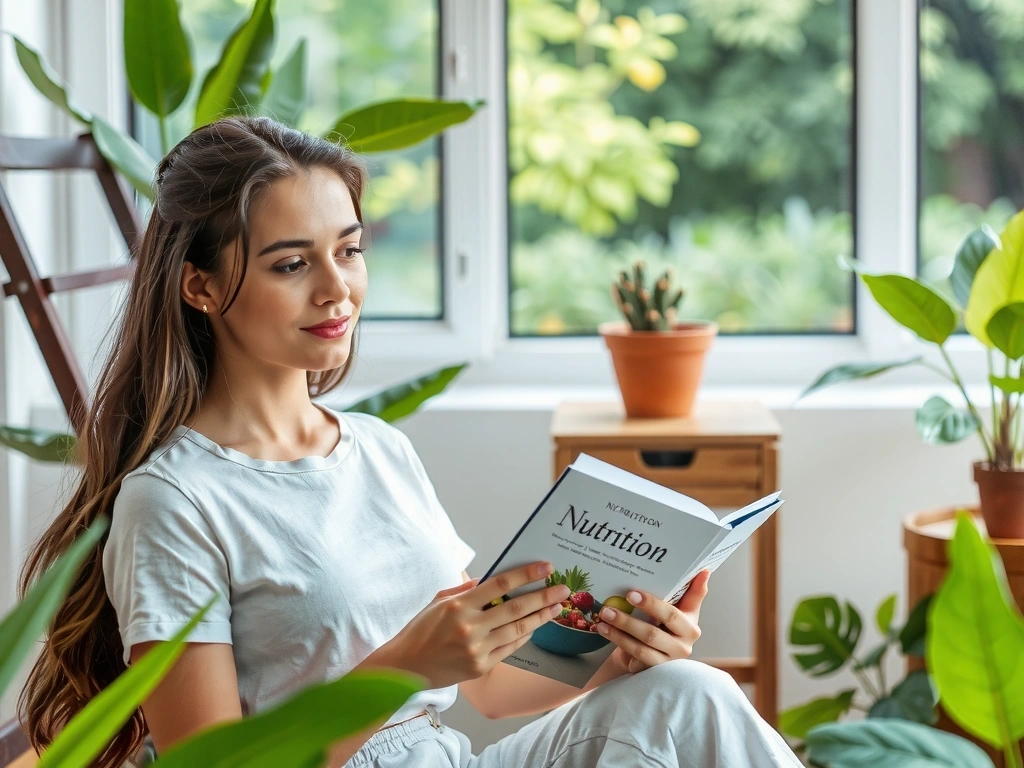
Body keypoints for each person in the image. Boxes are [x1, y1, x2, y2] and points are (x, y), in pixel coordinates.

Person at [18, 117, 801, 768]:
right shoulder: (175, 500)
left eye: (349, 249)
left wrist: (623, 652)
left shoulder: (376, 450)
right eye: (292, 263)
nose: (337, 288)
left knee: (690, 692)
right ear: (200, 285)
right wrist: (404, 667)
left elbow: (491, 689)